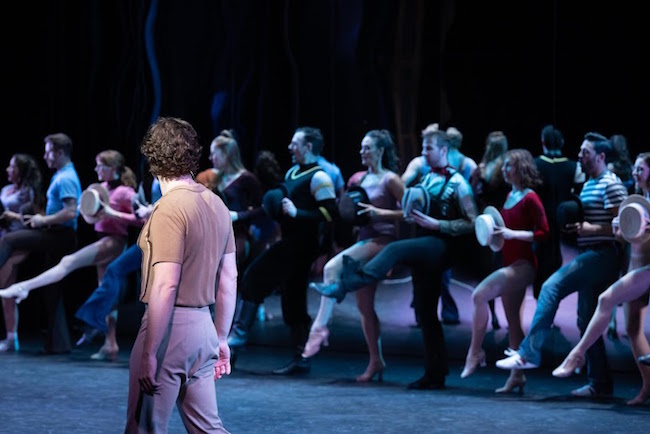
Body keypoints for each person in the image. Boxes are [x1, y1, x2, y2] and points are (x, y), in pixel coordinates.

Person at [313, 128, 478, 390]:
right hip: (427, 247)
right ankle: (435, 373)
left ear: (444, 151)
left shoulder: (459, 183)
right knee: (425, 312)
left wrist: (439, 225)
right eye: (423, 149)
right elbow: (409, 212)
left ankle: (346, 284)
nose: (423, 153)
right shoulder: (426, 180)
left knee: (396, 249)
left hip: (443, 244)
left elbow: (472, 223)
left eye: (428, 149)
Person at [124, 116, 236, 433]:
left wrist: (149, 352)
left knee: (143, 428)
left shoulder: (168, 208)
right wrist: (221, 338)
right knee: (208, 429)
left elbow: (166, 284)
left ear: (152, 156)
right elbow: (229, 280)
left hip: (168, 331)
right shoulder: (217, 204)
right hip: (204, 331)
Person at [496, 132, 628, 398]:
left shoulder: (611, 184)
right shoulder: (590, 183)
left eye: (585, 152)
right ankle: (599, 384)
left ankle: (528, 353)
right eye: (579, 151)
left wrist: (589, 229)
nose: (579, 156)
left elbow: (624, 229)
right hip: (592, 253)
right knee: (585, 321)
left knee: (551, 286)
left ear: (601, 157)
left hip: (603, 255)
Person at [227, 126, 337, 376]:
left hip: (301, 246)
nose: (290, 148)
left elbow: (331, 212)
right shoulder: (293, 172)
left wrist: (300, 214)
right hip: (289, 241)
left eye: (295, 144)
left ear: (308, 147)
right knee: (293, 300)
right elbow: (273, 207)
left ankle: (238, 338)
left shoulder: (319, 177)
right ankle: (302, 358)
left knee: (254, 279)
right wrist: (242, 215)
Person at [302, 129, 404, 382]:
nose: (362, 152)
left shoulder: (391, 179)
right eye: (362, 147)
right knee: (364, 307)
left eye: (367, 147)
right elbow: (351, 211)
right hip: (363, 240)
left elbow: (410, 212)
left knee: (330, 269)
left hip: (382, 242)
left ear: (380, 151)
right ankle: (375, 360)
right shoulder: (358, 179)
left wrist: (381, 214)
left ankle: (319, 328)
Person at [552, 152, 650, 406]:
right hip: (637, 268)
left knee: (605, 299)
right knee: (631, 328)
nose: (637, 173)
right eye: (636, 169)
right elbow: (627, 239)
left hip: (647, 270)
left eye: (642, 169)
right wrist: (622, 229)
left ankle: (577, 354)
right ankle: (647, 389)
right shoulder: (637, 200)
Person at [0, 151, 138, 316]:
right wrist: (87, 211)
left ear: (113, 168)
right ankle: (110, 340)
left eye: (100, 165)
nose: (96, 169)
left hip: (115, 240)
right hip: (101, 237)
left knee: (68, 262)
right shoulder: (102, 188)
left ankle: (23, 287)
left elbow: (141, 219)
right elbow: (92, 219)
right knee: (105, 288)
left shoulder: (125, 192)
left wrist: (112, 213)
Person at [461, 149, 549, 394]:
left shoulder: (530, 197)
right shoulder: (511, 195)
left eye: (509, 165)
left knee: (479, 295)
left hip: (524, 266)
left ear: (521, 168)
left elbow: (544, 232)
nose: (504, 170)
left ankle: (475, 352)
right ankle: (517, 376)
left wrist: (513, 234)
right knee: (513, 323)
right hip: (509, 263)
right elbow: (501, 231)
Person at [0, 133, 81, 354]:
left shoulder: (66, 178)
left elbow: (72, 211)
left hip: (59, 236)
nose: (45, 156)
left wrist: (43, 220)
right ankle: (59, 344)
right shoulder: (61, 175)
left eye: (48, 151)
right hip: (54, 233)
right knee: (51, 289)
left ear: (59, 152)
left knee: (9, 239)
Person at [73, 172, 160, 360]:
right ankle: (96, 321)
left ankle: (155, 351)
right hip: (148, 239)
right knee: (116, 272)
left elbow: (174, 205)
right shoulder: (145, 182)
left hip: (161, 241)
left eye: (102, 165)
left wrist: (149, 210)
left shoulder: (165, 179)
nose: (97, 168)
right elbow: (141, 217)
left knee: (153, 295)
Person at [533, 125, 583, 299]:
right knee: (555, 259)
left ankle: (542, 299)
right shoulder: (573, 166)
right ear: (562, 143)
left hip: (540, 219)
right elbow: (578, 192)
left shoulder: (535, 164)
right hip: (563, 221)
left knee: (541, 259)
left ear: (543, 142)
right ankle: (550, 299)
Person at [0, 154, 43, 352]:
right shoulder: (7, 189)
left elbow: (37, 218)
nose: (8, 170)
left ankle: (11, 337)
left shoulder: (30, 192)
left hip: (23, 237)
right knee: (6, 286)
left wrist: (15, 216)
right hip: (6, 237)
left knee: (6, 280)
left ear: (21, 171)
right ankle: (11, 337)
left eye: (12, 167)